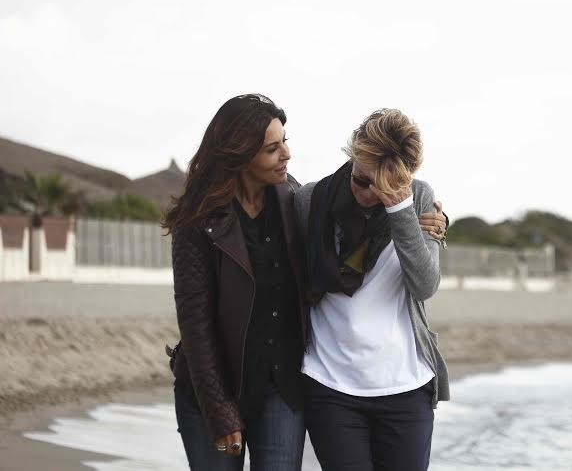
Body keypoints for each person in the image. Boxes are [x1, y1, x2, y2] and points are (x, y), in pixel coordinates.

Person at [162, 95, 447, 471]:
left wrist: (415, 216)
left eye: (285, 141)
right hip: (242, 384)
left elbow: (418, 276)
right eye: (272, 148)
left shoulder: (297, 201)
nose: (286, 154)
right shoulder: (216, 218)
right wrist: (218, 410)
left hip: (288, 384)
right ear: (240, 154)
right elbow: (195, 324)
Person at [295, 108, 450, 471]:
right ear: (352, 157)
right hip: (330, 383)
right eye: (360, 180)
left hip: (406, 386)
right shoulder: (311, 200)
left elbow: (424, 285)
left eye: (381, 185)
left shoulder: (419, 198)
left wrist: (400, 209)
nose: (367, 194)